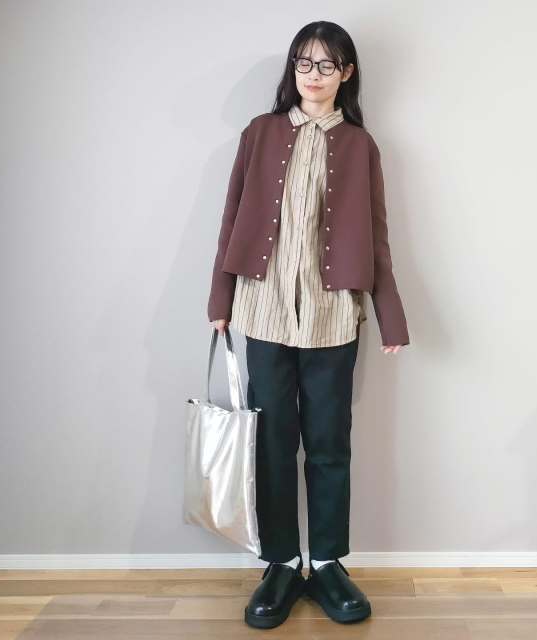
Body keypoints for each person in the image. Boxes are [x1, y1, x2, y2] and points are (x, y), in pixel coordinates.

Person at [207, 20, 410, 628]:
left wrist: (390, 315)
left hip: (332, 315)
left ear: (346, 73)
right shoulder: (260, 133)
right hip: (263, 309)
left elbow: (375, 234)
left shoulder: (360, 145)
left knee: (328, 444)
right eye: (303, 62)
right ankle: (278, 563)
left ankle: (325, 564)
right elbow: (231, 216)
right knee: (272, 442)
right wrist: (220, 298)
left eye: (325, 64)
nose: (312, 74)